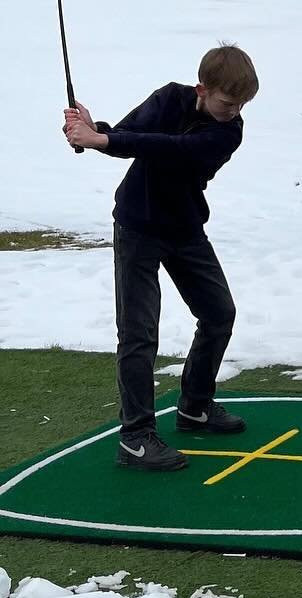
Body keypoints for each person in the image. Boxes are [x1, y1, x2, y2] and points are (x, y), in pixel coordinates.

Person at [62, 44, 259, 472]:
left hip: (185, 229)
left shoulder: (228, 132)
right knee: (138, 334)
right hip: (137, 226)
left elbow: (170, 149)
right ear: (201, 89)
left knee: (219, 313)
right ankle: (135, 437)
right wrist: (93, 131)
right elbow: (131, 134)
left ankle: (195, 407)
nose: (235, 110)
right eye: (228, 101)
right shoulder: (170, 97)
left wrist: (101, 139)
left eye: (243, 103)